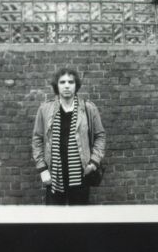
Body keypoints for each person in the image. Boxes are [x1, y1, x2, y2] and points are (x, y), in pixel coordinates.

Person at [31, 68, 105, 205]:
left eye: (70, 82)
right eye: (62, 82)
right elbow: (37, 140)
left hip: (81, 174)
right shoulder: (45, 109)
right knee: (54, 216)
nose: (66, 86)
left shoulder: (88, 108)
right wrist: (42, 169)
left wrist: (93, 163)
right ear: (56, 85)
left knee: (79, 216)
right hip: (53, 176)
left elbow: (100, 136)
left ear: (76, 85)